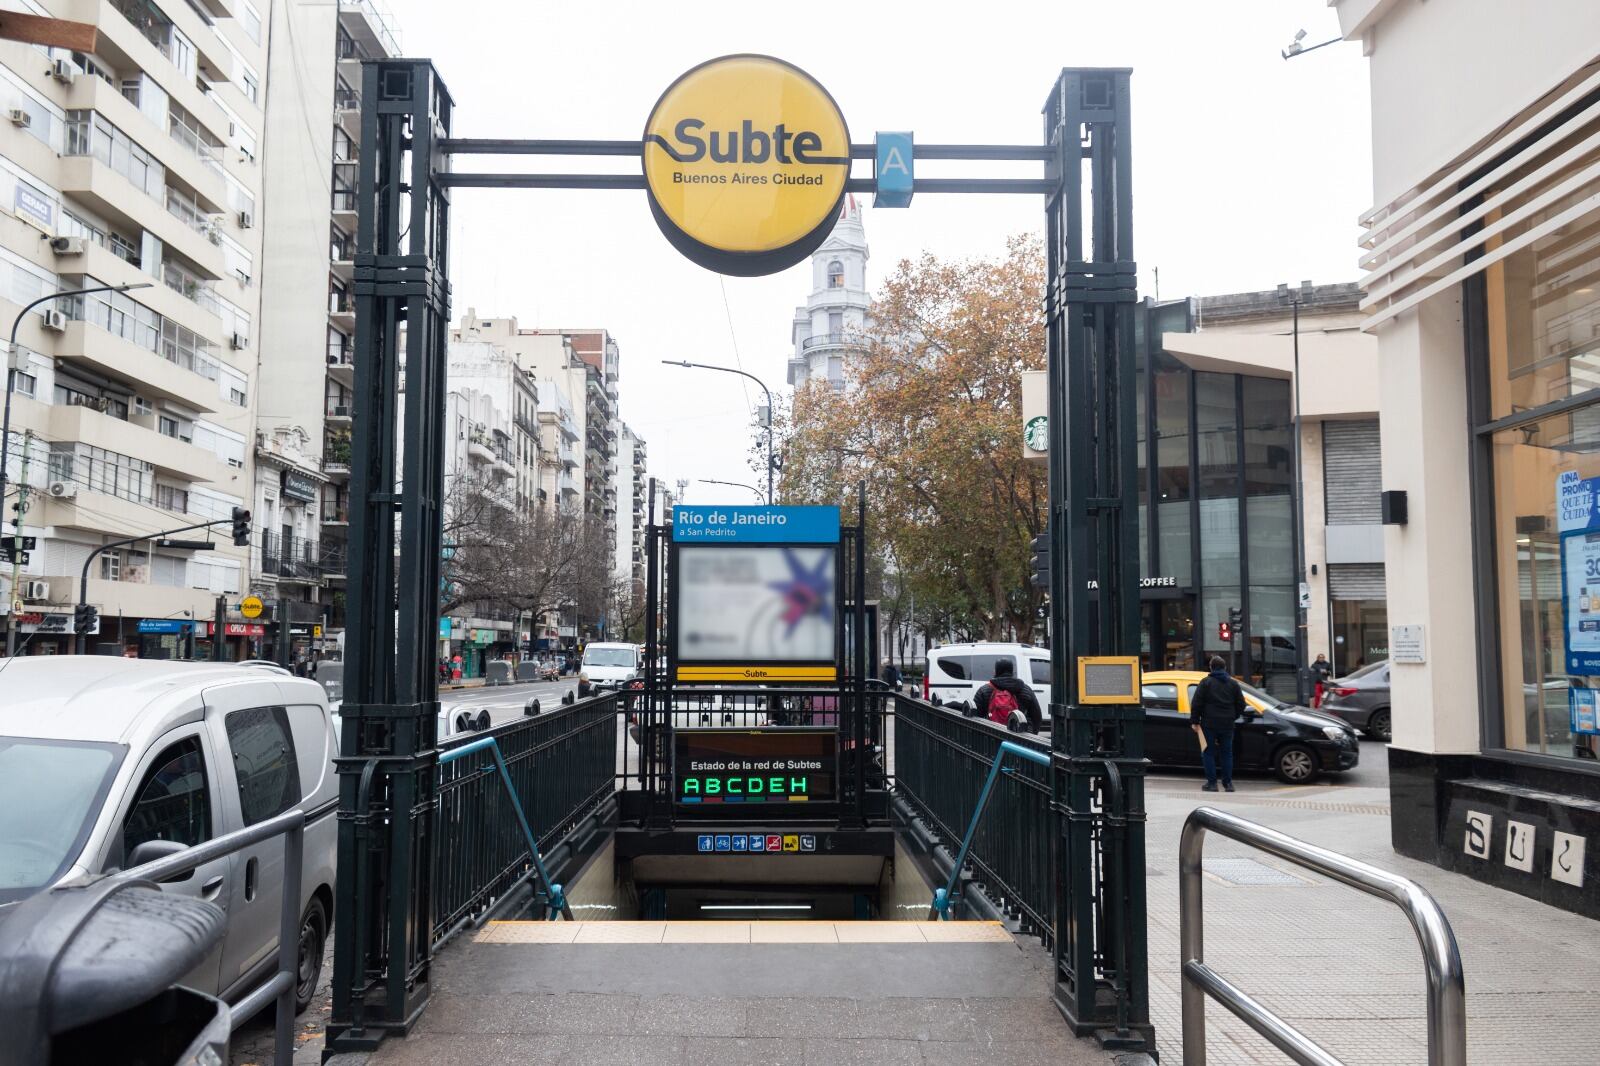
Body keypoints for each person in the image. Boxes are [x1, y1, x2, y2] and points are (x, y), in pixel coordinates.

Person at [1191, 655, 1248, 792]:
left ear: (1211, 667)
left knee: (1208, 752)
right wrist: (1233, 716)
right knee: (1227, 753)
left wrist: (1195, 721)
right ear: (1225, 668)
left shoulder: (1205, 682)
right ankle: (1228, 784)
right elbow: (1241, 704)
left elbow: (1197, 703)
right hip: (1227, 724)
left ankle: (1212, 784)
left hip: (1208, 723)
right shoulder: (1233, 684)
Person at [973, 658, 1043, 733]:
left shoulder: (984, 690)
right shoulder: (1025, 689)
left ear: (995, 671)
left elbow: (974, 716)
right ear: (1012, 671)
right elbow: (1037, 717)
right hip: (1019, 737)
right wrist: (1031, 735)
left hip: (992, 736)